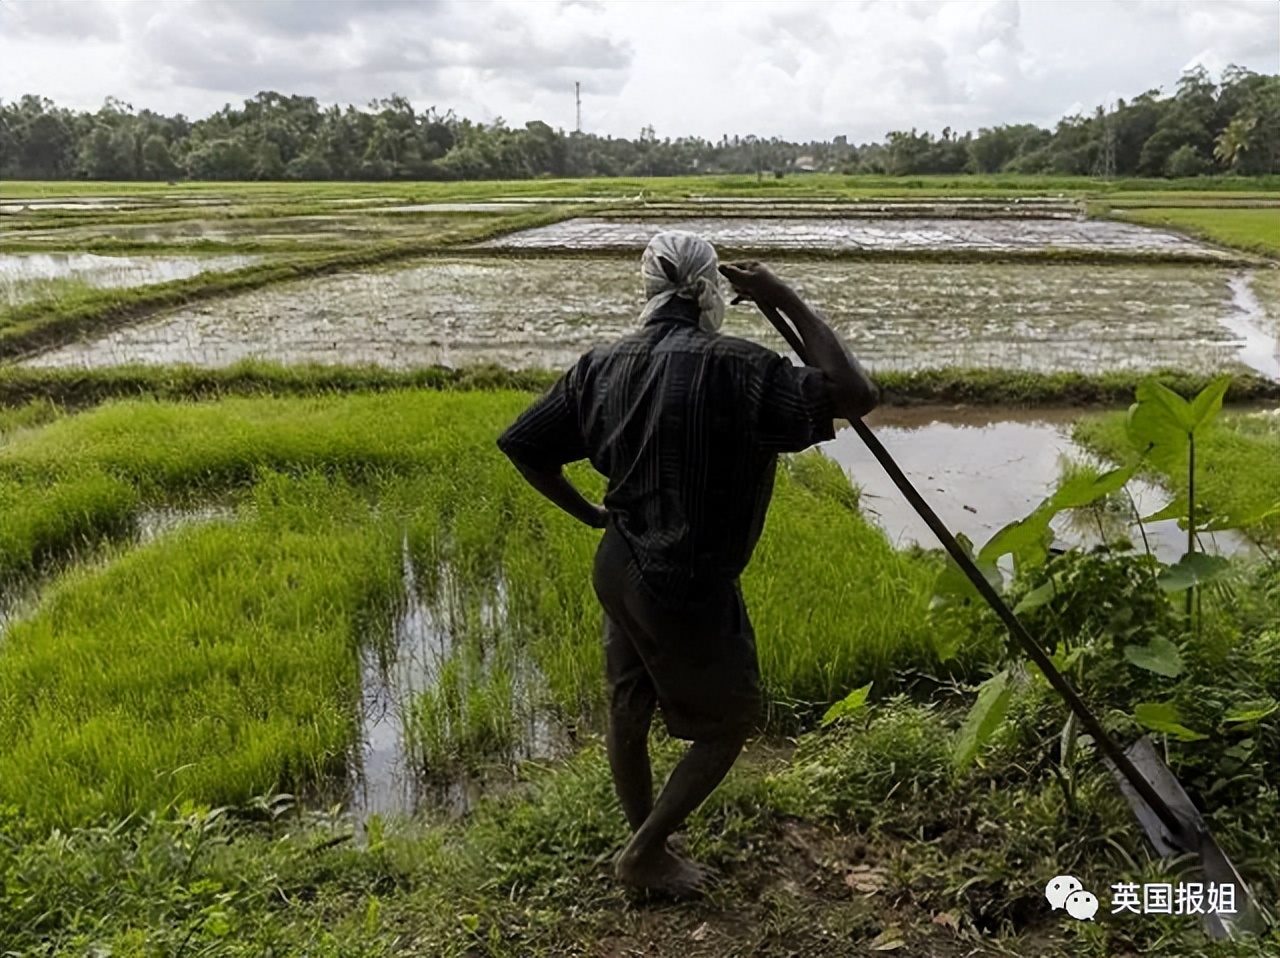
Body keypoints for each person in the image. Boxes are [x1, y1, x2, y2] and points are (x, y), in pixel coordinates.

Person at [496, 230, 879, 896]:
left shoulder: (600, 364)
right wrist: (781, 296)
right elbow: (855, 392)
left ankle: (651, 848)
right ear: (710, 292)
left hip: (619, 565)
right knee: (729, 722)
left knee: (628, 705)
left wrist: (590, 512)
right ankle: (644, 854)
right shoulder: (741, 367)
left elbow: (524, 444)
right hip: (685, 579)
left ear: (646, 288)